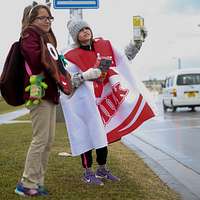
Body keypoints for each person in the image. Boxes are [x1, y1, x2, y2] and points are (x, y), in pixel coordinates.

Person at [15, 3, 101, 197]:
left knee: (48, 140)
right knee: (40, 140)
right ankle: (27, 183)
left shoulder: (45, 38)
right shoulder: (30, 35)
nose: (47, 21)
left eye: (49, 18)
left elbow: (52, 61)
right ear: (31, 20)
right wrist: (54, 61)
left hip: (50, 94)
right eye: (42, 18)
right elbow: (36, 60)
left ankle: (36, 183)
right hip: (39, 92)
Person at [60, 19, 155, 186]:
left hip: (103, 100)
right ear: (75, 36)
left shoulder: (104, 45)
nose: (85, 31)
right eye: (80, 30)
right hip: (84, 104)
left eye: (86, 28)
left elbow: (124, 59)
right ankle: (87, 172)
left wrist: (137, 43)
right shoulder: (69, 56)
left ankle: (102, 169)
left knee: (102, 136)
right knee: (87, 137)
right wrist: (84, 76)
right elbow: (66, 83)